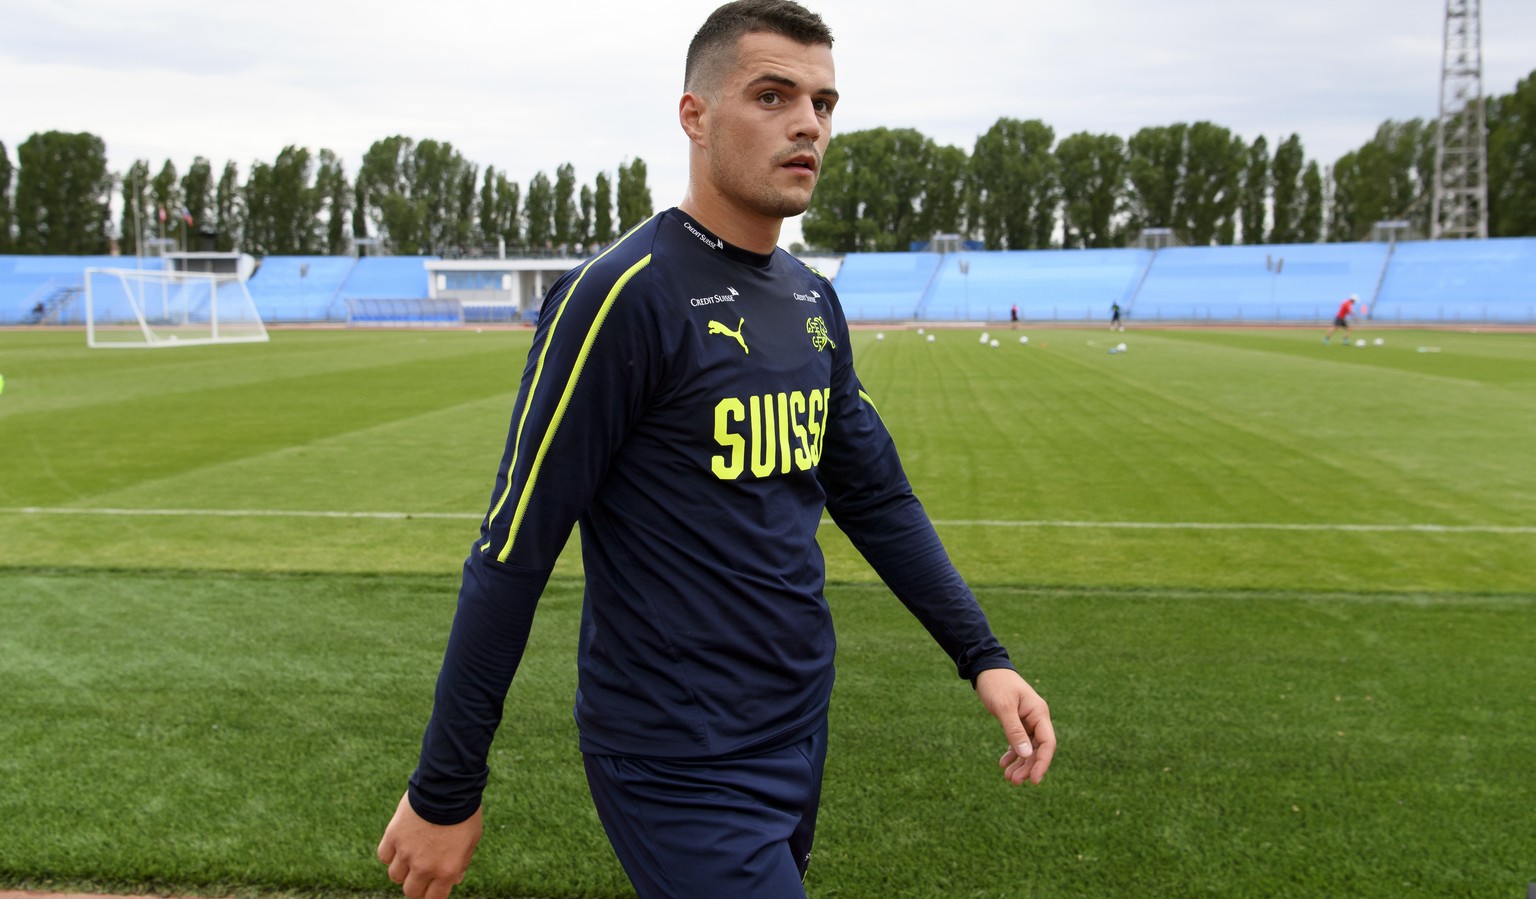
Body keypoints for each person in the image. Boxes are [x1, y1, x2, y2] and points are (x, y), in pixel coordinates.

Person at [375, 3, 1055, 898]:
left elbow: (876, 497)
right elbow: (512, 552)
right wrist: (444, 788)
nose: (808, 122)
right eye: (772, 95)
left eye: (823, 102)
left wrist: (984, 654)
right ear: (693, 115)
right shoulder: (623, 295)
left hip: (798, 724)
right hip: (677, 755)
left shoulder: (811, 300)